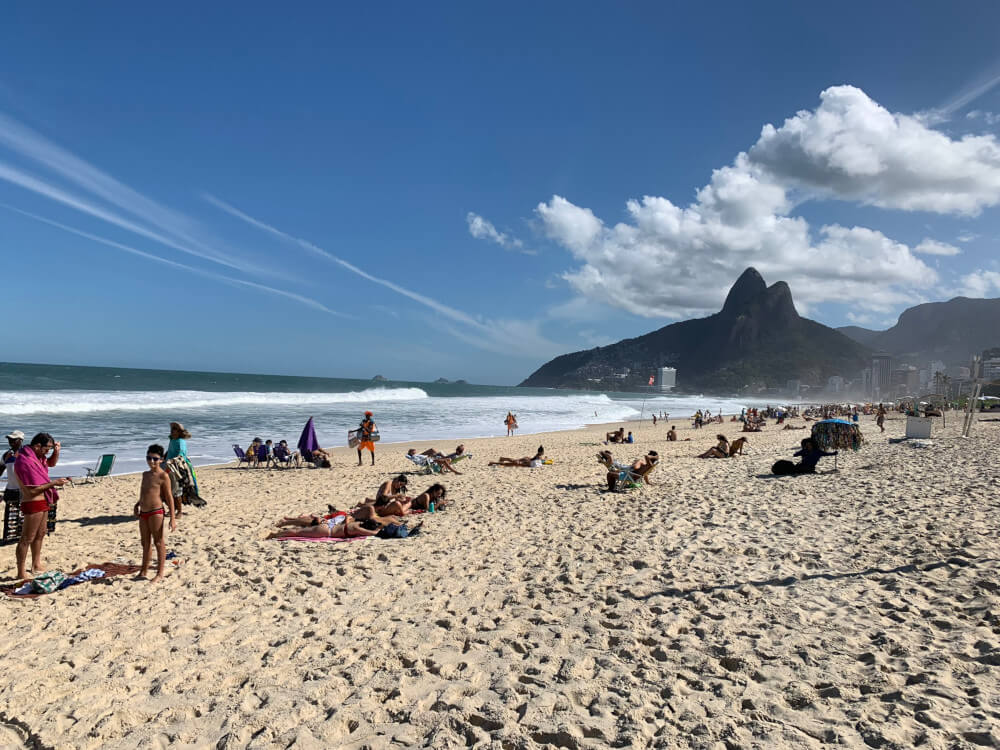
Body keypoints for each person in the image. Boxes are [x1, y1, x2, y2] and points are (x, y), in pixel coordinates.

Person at [13, 433, 70, 580]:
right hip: (32, 501)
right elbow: (31, 490)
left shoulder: (37, 457)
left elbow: (51, 463)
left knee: (40, 534)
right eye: (47, 449)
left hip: (43, 499)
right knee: (27, 538)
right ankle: (20, 571)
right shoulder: (24, 461)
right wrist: (54, 483)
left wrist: (57, 451)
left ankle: (36, 563)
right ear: (38, 446)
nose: (48, 452)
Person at [134, 444, 177, 583]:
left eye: (155, 459)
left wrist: (173, 518)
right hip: (143, 512)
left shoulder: (163, 476)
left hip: (156, 512)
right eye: (149, 458)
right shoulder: (145, 475)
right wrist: (137, 504)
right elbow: (144, 491)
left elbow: (169, 496)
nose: (151, 461)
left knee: (158, 542)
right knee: (145, 542)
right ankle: (143, 570)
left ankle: (160, 573)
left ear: (161, 460)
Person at [166, 422, 193, 515]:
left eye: (175, 431)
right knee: (168, 490)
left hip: (177, 467)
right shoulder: (172, 440)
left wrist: (174, 460)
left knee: (176, 490)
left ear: (179, 432)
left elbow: (181, 453)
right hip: (168, 466)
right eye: (172, 431)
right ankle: (172, 509)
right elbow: (169, 451)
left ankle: (180, 511)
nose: (173, 433)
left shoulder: (181, 441)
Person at [2, 430, 24, 509]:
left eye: (14, 440)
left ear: (21, 440)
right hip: (10, 490)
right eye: (9, 440)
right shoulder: (7, 455)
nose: (11, 442)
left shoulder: (26, 454)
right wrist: (5, 461)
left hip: (23, 490)